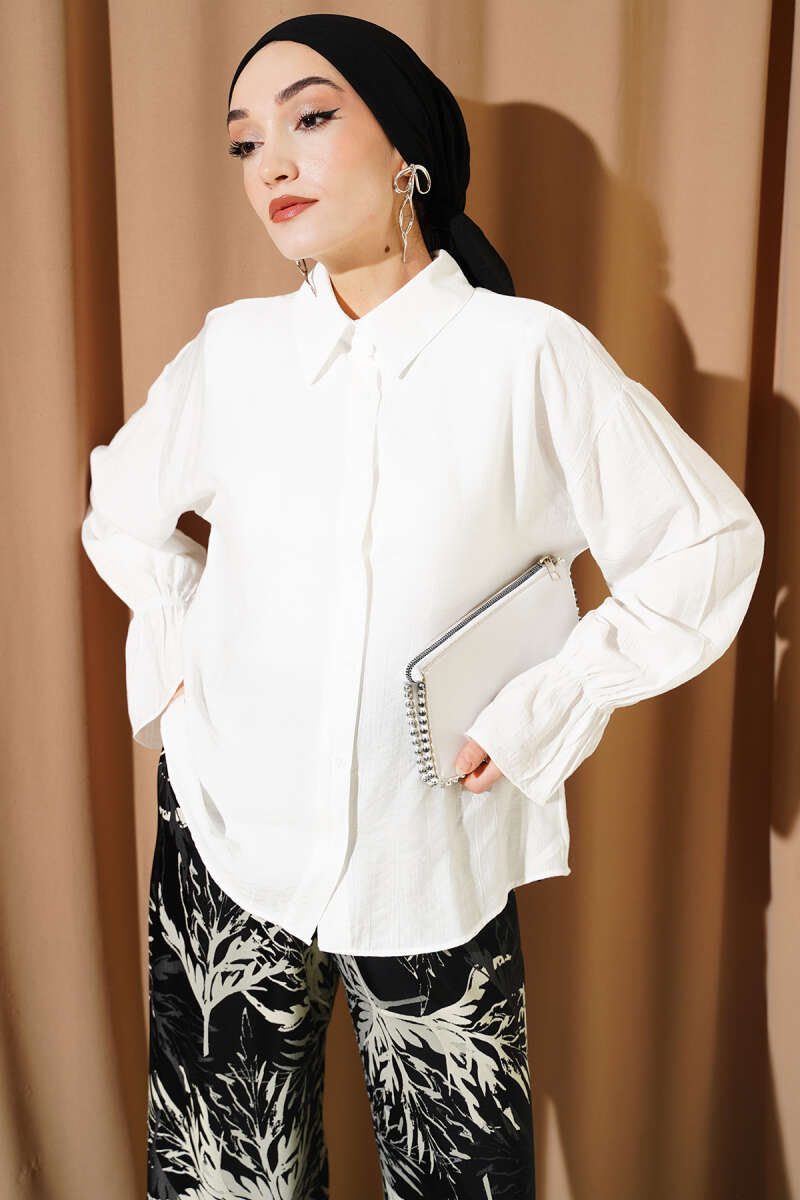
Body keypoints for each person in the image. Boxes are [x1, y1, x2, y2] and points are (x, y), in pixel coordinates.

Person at [80, 14, 765, 1200]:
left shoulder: (528, 356)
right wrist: (184, 657)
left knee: (462, 1182)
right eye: (244, 143)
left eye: (309, 118)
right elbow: (122, 512)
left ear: (406, 151)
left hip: (429, 844)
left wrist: (544, 707)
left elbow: (703, 545)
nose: (271, 163)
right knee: (221, 1180)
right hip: (223, 836)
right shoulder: (235, 354)